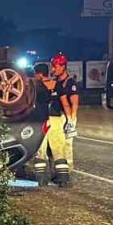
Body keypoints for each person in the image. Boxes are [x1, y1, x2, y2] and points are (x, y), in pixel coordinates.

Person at [46, 53, 79, 187]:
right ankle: (58, 172)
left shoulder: (69, 83)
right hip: (58, 116)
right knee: (56, 145)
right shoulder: (57, 83)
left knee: (66, 146)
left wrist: (71, 120)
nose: (53, 69)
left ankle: (67, 173)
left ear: (63, 66)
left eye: (55, 66)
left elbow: (74, 102)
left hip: (67, 116)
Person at [29, 64, 56, 186]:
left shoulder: (35, 85)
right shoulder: (54, 84)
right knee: (55, 149)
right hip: (52, 119)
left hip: (38, 121)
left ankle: (41, 178)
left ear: (39, 74)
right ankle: (58, 176)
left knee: (40, 150)